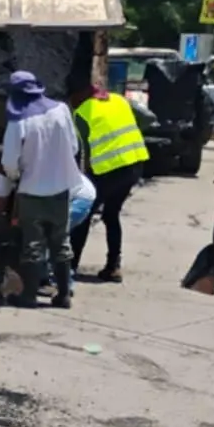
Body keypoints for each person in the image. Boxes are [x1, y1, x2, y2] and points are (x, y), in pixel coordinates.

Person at [0, 70, 80, 309]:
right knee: (61, 241)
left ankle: (29, 296)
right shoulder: (61, 110)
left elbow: (10, 161)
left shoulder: (18, 120)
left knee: (33, 244)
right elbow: (73, 146)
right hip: (62, 188)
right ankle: (64, 295)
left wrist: (15, 177)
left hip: (32, 190)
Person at [70, 82, 149, 281]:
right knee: (111, 214)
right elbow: (149, 118)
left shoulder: (81, 112)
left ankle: (70, 266)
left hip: (108, 169)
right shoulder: (120, 100)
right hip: (134, 163)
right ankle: (113, 266)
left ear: (81, 95)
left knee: (84, 214)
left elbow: (81, 151)